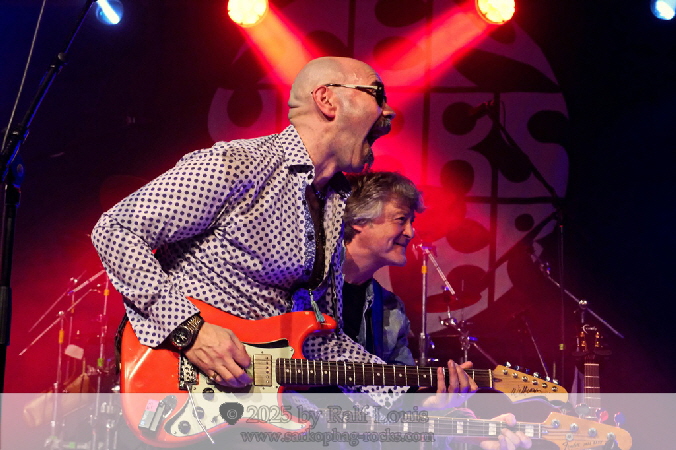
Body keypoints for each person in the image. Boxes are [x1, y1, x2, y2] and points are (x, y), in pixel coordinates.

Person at [92, 56, 529, 449]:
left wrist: (412, 397)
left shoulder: (335, 203)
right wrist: (191, 332)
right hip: (178, 379)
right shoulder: (238, 164)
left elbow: (321, 338)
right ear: (327, 100)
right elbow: (115, 230)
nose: (389, 112)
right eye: (377, 95)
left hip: (248, 406)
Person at [341, 171, 532, 449]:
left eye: (411, 222)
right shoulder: (300, 285)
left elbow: (400, 402)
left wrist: (434, 403)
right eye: (401, 219)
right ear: (359, 221)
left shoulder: (391, 310)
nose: (411, 232)